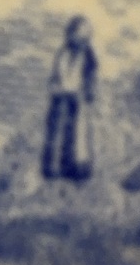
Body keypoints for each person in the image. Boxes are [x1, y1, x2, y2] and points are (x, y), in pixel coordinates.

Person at [42, 16, 98, 182]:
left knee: (78, 135)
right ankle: (53, 168)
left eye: (85, 36)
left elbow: (91, 78)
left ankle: (78, 170)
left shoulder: (88, 55)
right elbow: (56, 74)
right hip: (60, 97)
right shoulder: (63, 52)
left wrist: (87, 93)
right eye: (78, 35)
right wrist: (54, 86)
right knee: (57, 132)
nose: (81, 39)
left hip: (77, 99)